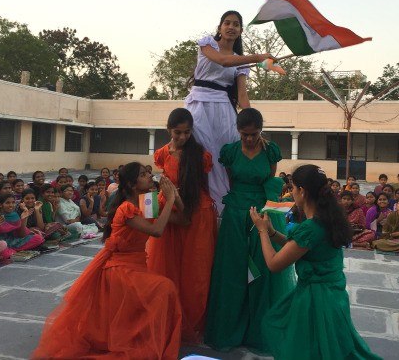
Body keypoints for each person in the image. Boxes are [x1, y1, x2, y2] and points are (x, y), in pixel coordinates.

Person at [32, 163, 182, 359]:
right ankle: (140, 339)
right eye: (144, 175)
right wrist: (169, 199)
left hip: (136, 265)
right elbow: (157, 230)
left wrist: (175, 196)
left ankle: (140, 337)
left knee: (162, 290)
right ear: (132, 184)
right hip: (120, 268)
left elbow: (181, 216)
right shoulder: (126, 208)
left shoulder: (147, 202)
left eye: (148, 174)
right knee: (164, 287)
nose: (149, 177)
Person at [249, 164, 380, 359]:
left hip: (317, 301)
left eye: (292, 188)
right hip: (331, 295)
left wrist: (261, 230)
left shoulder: (311, 227)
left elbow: (274, 264)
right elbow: (299, 248)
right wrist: (272, 232)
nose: (292, 193)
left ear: (302, 191)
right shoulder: (326, 219)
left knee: (304, 346)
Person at [204, 108, 295, 353]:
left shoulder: (271, 151)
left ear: (260, 131)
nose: (249, 139)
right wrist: (241, 205)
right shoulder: (231, 152)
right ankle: (230, 328)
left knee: (262, 272)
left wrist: (264, 214)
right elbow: (232, 181)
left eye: (253, 134)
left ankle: (258, 331)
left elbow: (271, 180)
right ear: (238, 131)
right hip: (235, 213)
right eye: (244, 134)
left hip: (263, 214)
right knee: (233, 270)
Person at [184, 10, 276, 215]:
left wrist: (255, 125)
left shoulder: (241, 63)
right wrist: (258, 57)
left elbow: (242, 97)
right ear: (219, 27)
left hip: (224, 109)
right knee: (200, 153)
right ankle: (197, 203)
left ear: (241, 30)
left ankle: (223, 207)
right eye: (227, 23)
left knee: (226, 155)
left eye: (236, 24)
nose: (231, 27)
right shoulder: (207, 44)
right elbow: (222, 61)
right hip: (199, 104)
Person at [147, 108, 217, 343]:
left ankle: (191, 322)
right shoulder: (162, 154)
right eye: (178, 132)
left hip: (196, 214)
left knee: (194, 273)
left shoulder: (201, 155)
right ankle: (166, 318)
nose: (182, 137)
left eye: (187, 132)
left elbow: (203, 187)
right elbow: (160, 189)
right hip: (169, 213)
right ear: (169, 130)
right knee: (165, 270)